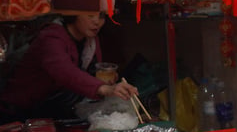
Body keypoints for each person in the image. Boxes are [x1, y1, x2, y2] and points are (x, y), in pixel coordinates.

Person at [0, 13, 138, 122]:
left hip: (53, 111)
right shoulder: (51, 36)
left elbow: (86, 73)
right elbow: (65, 71)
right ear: (73, 14)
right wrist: (103, 88)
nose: (97, 21)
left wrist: (105, 80)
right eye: (90, 16)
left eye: (101, 16)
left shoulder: (90, 39)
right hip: (20, 113)